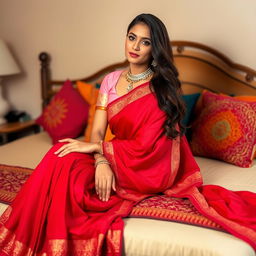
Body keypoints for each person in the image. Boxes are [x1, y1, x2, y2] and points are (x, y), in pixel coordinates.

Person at [0, 13, 256, 256]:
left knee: (74, 176)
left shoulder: (162, 88)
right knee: (59, 154)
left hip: (145, 166)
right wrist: (101, 160)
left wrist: (95, 149)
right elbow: (98, 131)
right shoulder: (110, 81)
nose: (135, 46)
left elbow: (151, 147)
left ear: (154, 48)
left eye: (145, 42)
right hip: (116, 156)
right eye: (131, 37)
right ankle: (21, 244)